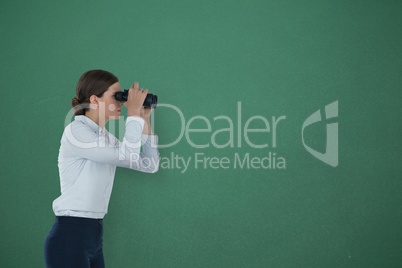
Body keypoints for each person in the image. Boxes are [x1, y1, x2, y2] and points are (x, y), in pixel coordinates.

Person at [44, 70, 160, 268]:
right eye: (117, 96)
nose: (122, 102)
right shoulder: (76, 131)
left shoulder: (104, 137)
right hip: (71, 235)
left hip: (94, 234)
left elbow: (149, 165)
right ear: (95, 100)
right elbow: (128, 155)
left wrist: (144, 119)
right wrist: (132, 115)